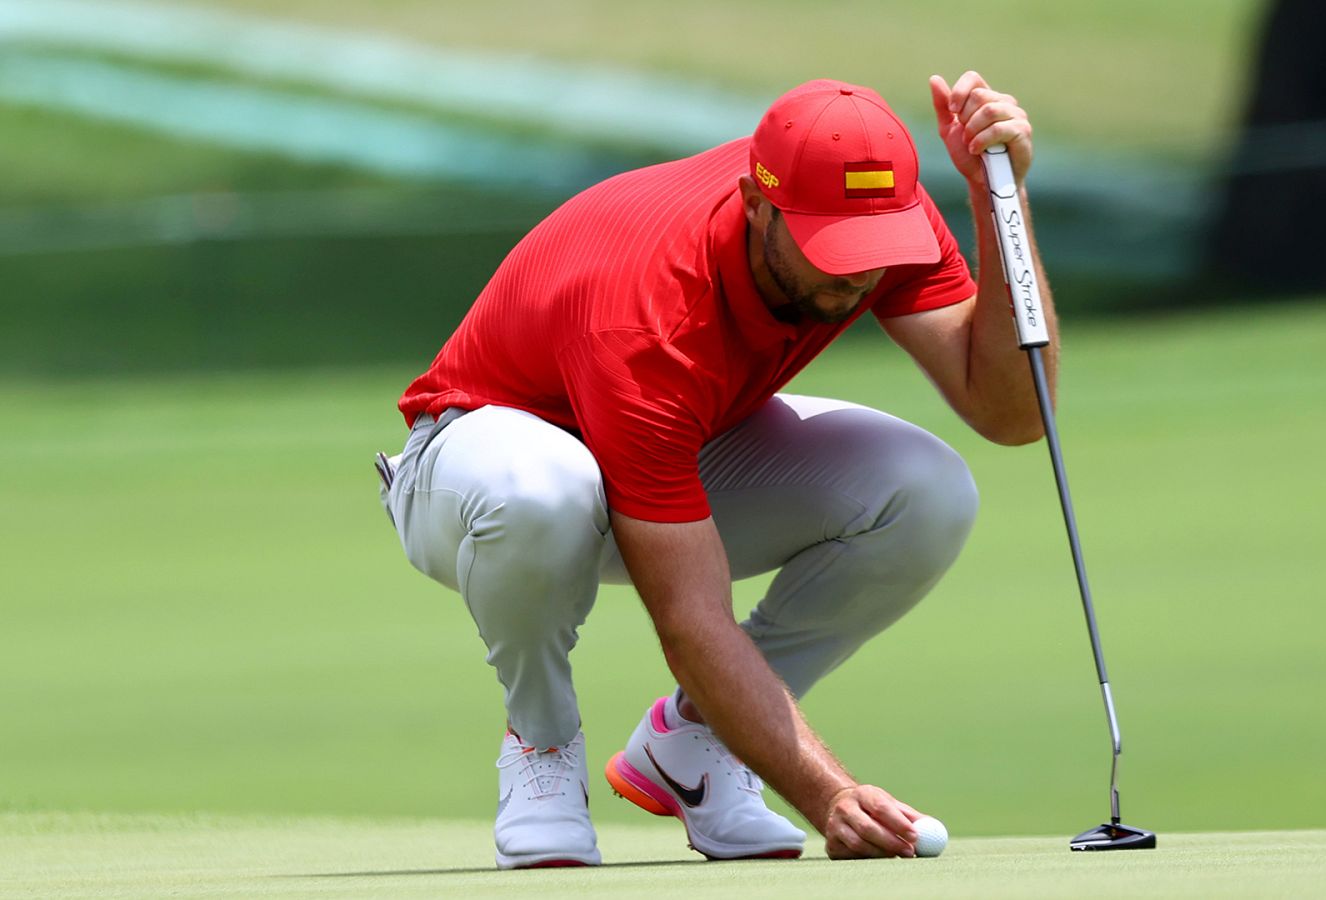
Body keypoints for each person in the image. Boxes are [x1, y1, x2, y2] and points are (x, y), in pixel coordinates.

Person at [376, 71, 1055, 867]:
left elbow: (1011, 413)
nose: (860, 273)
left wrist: (996, 201)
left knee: (928, 491)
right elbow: (691, 620)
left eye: (876, 249)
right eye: (831, 251)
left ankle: (694, 745)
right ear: (756, 204)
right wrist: (829, 793)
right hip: (473, 464)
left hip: (675, 443)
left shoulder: (881, 221)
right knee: (546, 492)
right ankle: (542, 746)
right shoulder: (650, 312)